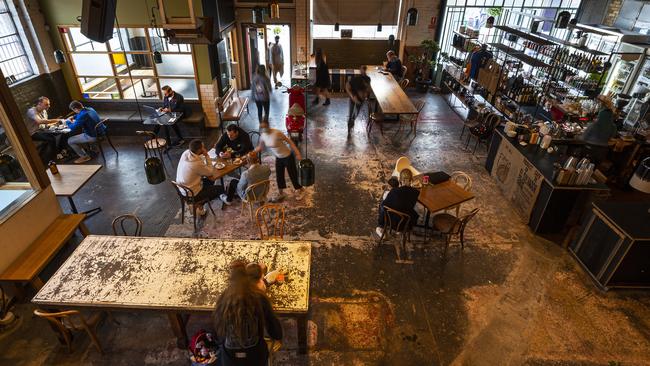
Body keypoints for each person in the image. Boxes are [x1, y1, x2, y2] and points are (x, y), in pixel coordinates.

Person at [213, 262, 283, 366]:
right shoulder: (259, 298)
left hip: (229, 359)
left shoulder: (224, 298)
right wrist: (277, 337)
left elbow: (218, 332)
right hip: (255, 357)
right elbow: (275, 331)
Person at [254, 120, 304, 201]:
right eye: (262, 127)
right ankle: (281, 193)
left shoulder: (277, 133)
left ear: (268, 126)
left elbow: (290, 142)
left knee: (293, 175)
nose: (263, 129)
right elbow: (260, 147)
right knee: (279, 176)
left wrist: (298, 153)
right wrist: (252, 152)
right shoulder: (263, 135)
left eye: (265, 127)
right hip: (278, 157)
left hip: (288, 156)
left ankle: (300, 189)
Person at [176, 139, 223, 216]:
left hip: (182, 189)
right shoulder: (196, 164)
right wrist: (207, 155)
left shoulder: (186, 153)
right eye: (203, 147)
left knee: (210, 181)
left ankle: (199, 200)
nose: (204, 149)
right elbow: (210, 172)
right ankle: (198, 204)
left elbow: (199, 163)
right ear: (198, 150)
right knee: (220, 189)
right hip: (192, 193)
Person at [375, 169, 420, 238]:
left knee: (382, 204)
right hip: (405, 223)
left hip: (391, 221)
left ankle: (380, 226)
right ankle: (400, 231)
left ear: (400, 180)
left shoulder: (394, 190)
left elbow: (385, 205)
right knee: (411, 210)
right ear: (411, 180)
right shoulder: (416, 192)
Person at [581, 95, 618, 163]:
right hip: (602, 152)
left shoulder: (594, 123)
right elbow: (612, 137)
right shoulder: (613, 126)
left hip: (589, 149)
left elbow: (584, 137)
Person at [25, 96, 61, 163]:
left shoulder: (44, 111)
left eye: (49, 104)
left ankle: (42, 157)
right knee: (51, 139)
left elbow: (45, 124)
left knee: (59, 132)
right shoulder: (31, 111)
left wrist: (56, 124)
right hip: (32, 133)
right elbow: (40, 121)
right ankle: (54, 158)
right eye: (46, 104)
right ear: (39, 104)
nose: (49, 106)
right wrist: (56, 120)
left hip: (41, 130)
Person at [345, 65, 371, 131]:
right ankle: (350, 122)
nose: (363, 71)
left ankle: (352, 120)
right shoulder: (356, 79)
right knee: (351, 112)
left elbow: (368, 90)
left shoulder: (367, 79)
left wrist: (366, 96)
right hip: (354, 98)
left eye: (364, 70)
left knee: (356, 112)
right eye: (362, 70)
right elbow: (347, 86)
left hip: (360, 100)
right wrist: (353, 96)